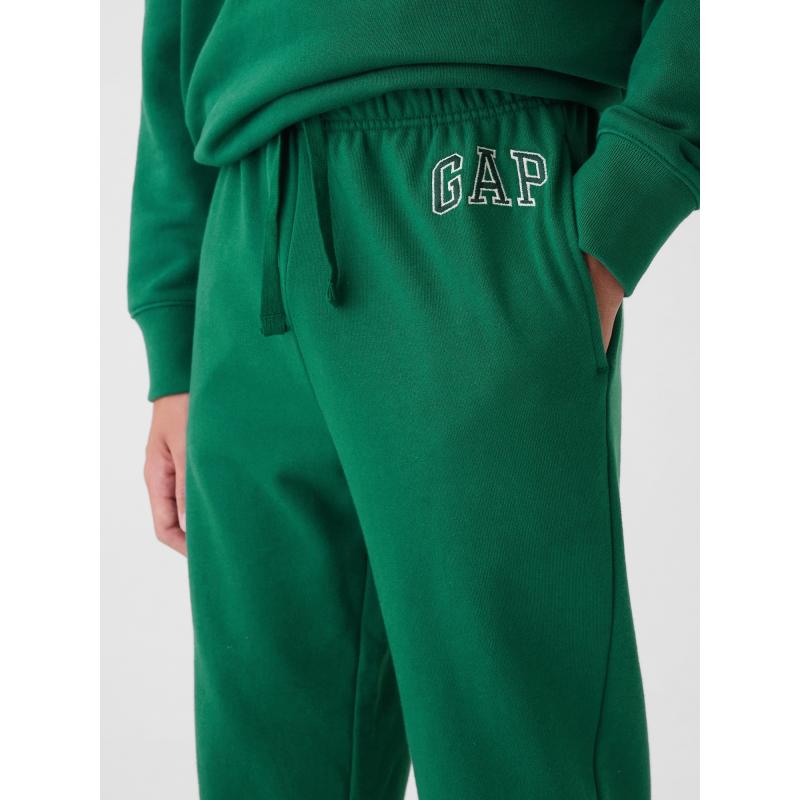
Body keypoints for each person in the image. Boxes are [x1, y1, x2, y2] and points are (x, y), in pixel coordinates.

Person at [128, 0, 699, 796]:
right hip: (245, 220)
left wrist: (633, 190)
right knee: (265, 769)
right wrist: (175, 322)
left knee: (517, 761)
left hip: (480, 174)